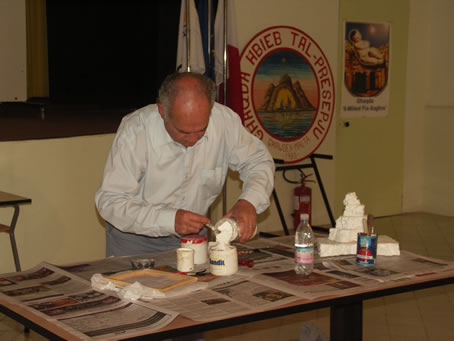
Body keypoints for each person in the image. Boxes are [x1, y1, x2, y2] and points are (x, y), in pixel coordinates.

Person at [95, 72, 275, 257]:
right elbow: (110, 201)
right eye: (182, 131)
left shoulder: (224, 122)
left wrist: (249, 202)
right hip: (134, 241)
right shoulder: (136, 130)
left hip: (194, 238)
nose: (193, 139)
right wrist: (169, 220)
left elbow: (258, 162)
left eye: (201, 130)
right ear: (162, 111)